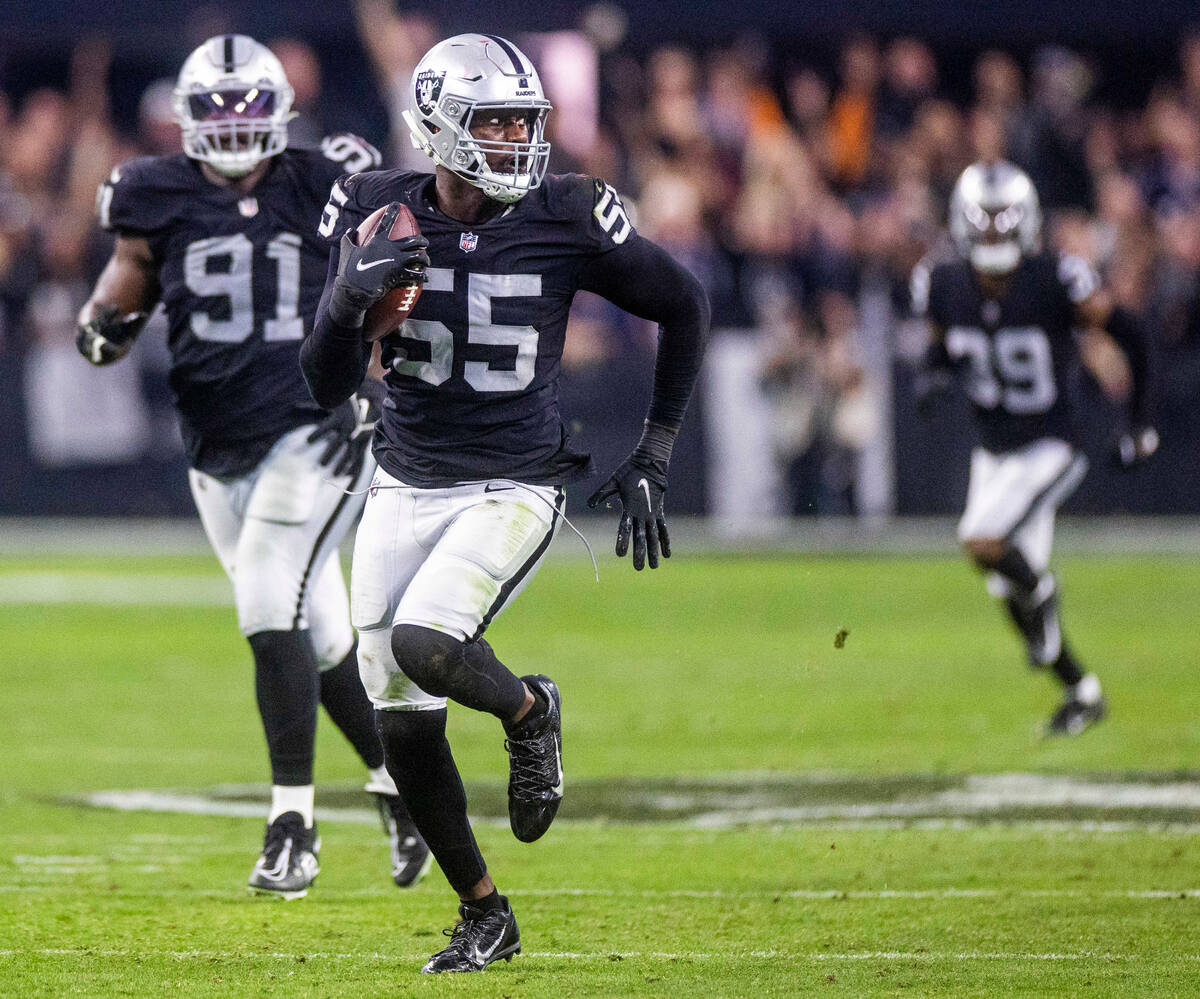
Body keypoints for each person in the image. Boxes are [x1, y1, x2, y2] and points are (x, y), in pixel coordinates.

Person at [300, 33, 709, 973]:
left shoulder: (565, 212)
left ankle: (530, 712)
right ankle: (485, 911)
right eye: (497, 121)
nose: (521, 139)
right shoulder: (375, 210)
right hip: (403, 478)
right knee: (397, 711)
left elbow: (681, 301)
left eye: (526, 120)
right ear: (442, 126)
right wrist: (342, 307)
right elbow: (321, 383)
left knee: (426, 643)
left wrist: (656, 447)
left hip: (514, 482)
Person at [76, 34, 429, 898]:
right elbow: (126, 279)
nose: (235, 126)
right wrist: (102, 320)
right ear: (188, 119)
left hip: (317, 426)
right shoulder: (150, 192)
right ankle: (404, 788)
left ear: (280, 111)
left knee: (269, 596)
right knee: (319, 631)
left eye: (248, 108)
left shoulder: (325, 179)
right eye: (219, 110)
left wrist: (372, 367)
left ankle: (292, 826)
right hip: (216, 444)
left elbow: (394, 272)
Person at [912, 160, 1157, 736]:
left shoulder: (1057, 278)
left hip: (1053, 443)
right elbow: (940, 348)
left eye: (1004, 223)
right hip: (994, 450)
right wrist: (932, 377)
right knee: (1006, 585)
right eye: (984, 222)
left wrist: (1141, 423)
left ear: (1027, 223)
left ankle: (1044, 593)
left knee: (982, 541)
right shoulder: (940, 283)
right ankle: (1082, 690)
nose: (994, 235)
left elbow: (1133, 336)